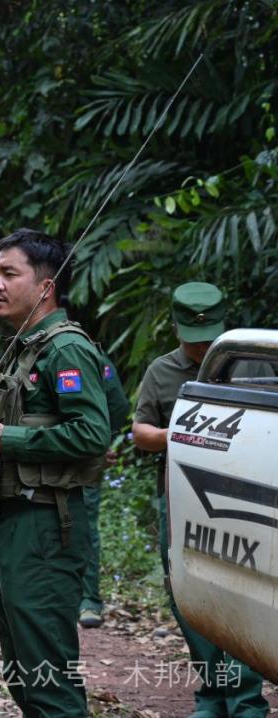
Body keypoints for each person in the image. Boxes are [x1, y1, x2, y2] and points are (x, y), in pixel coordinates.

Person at [0, 228, 110, 716]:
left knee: (49, 683)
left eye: (8, 274)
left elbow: (94, 431)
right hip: (16, 522)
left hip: (47, 526)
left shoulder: (66, 349)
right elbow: (109, 408)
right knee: (23, 673)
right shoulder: (28, 347)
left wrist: (9, 439)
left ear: (45, 286)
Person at [132, 282, 268, 718]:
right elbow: (141, 433)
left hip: (243, 503)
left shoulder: (249, 366)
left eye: (209, 338)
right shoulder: (161, 372)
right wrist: (185, 437)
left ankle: (246, 700)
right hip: (182, 500)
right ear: (176, 329)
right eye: (194, 340)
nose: (202, 347)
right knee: (188, 595)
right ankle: (212, 694)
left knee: (241, 592)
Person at [78, 349, 130, 629]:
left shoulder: (91, 356)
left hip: (84, 458)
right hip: (40, 455)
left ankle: (88, 598)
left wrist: (102, 441)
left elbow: (118, 405)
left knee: (84, 525)